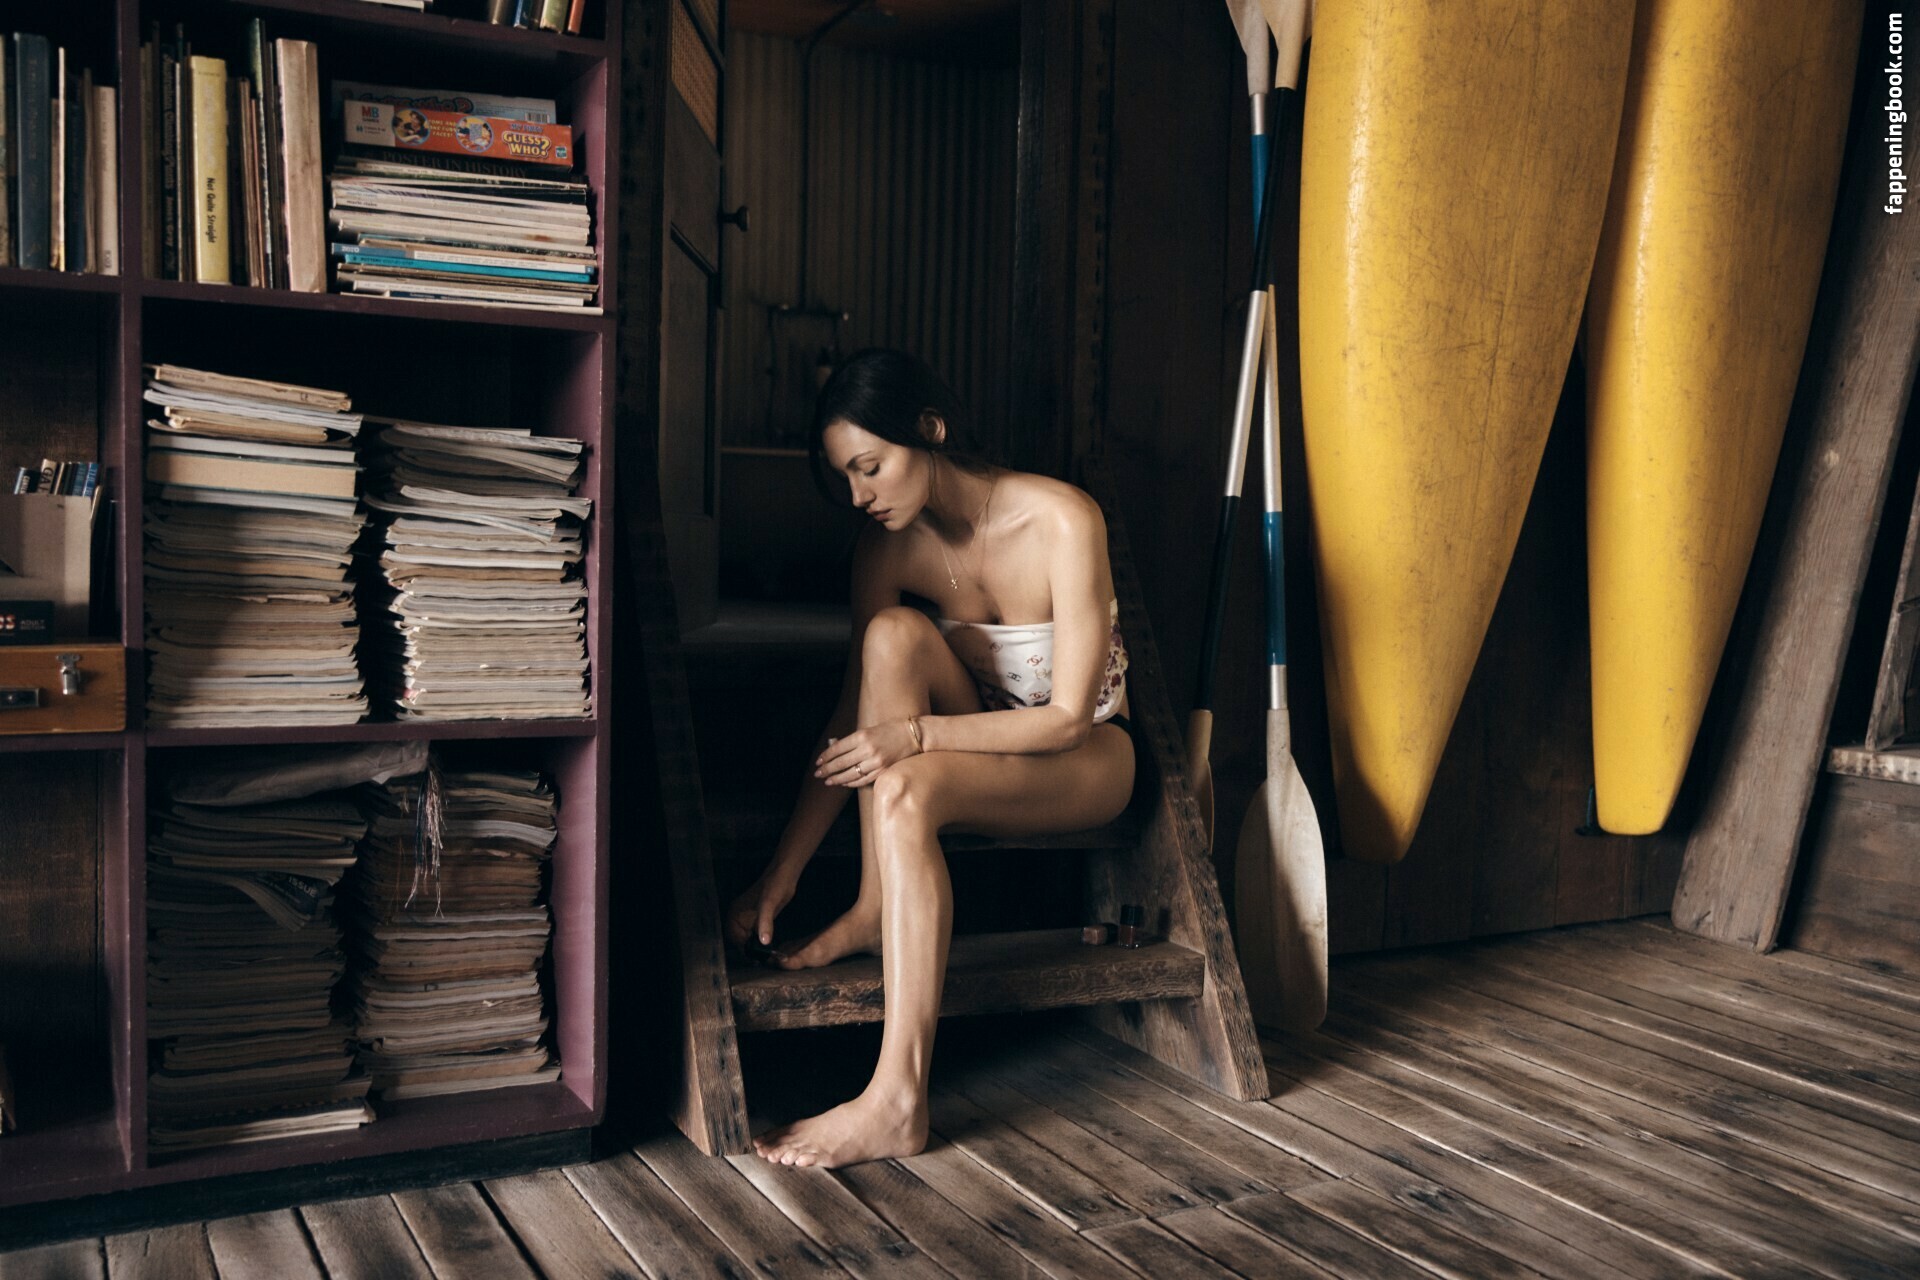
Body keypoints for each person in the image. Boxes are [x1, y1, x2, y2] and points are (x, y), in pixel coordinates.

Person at [726, 348, 1140, 1168]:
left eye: (870, 467)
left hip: (1089, 756)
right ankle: (874, 903)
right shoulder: (886, 551)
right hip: (979, 737)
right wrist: (784, 872)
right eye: (846, 477)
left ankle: (896, 1101)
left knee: (908, 789)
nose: (859, 495)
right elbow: (853, 720)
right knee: (890, 638)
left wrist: (915, 737)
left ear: (931, 430)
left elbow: (1065, 722)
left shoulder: (1063, 520)